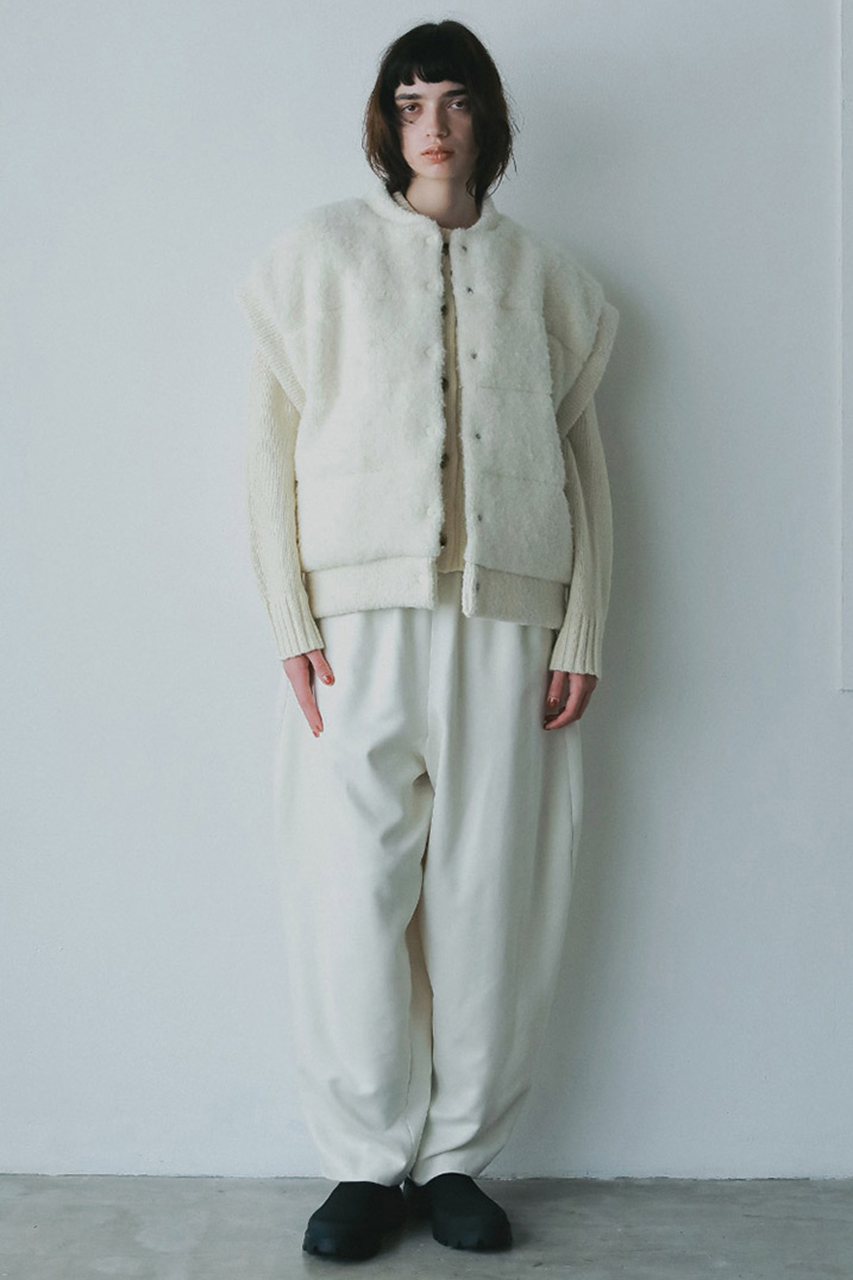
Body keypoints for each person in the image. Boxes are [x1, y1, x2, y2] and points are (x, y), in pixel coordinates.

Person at [234, 18, 618, 1263]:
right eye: (409, 104)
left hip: (509, 616)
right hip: (358, 622)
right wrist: (290, 616)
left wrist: (582, 620)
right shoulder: (318, 258)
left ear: (486, 118)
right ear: (385, 123)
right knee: (349, 890)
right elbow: (269, 450)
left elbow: (582, 460)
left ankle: (457, 1158)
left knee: (488, 893)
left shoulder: (549, 279)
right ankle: (364, 1161)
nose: (432, 126)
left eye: (452, 101)